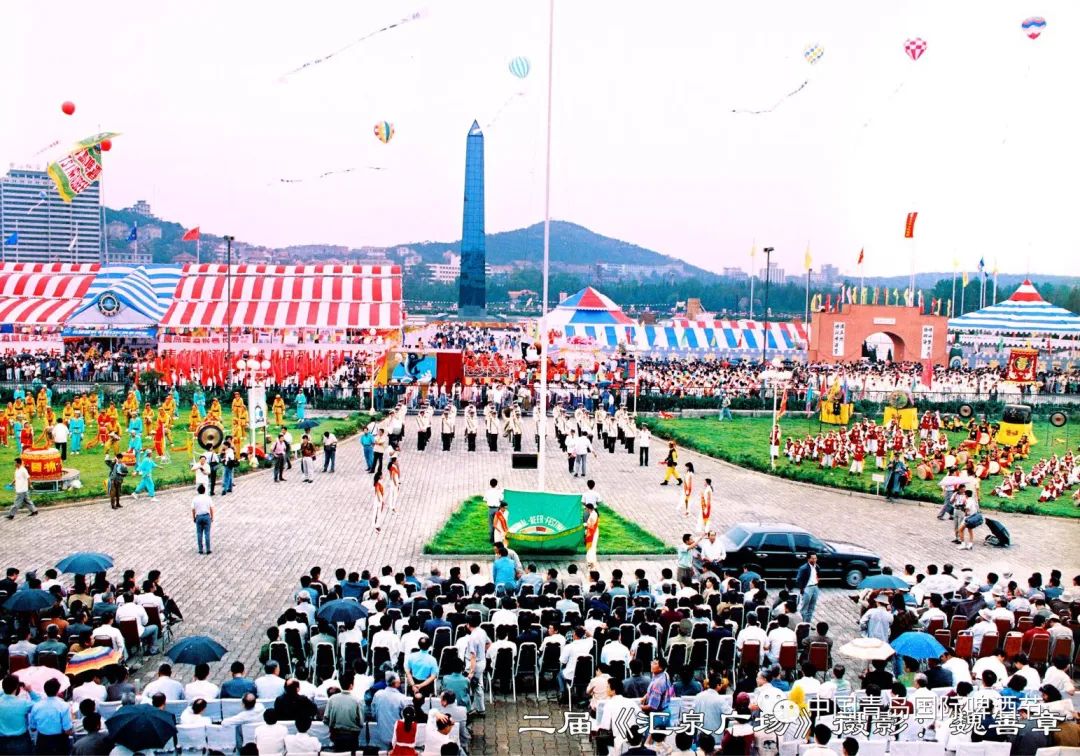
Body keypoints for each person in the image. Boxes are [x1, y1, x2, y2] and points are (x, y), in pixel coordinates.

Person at [29, 678, 72, 755]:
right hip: (59, 742)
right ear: (58, 690)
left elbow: (32, 728)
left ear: (45, 690)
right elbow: (67, 731)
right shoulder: (64, 706)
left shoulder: (36, 706)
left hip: (42, 742)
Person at [796, 554, 821, 623]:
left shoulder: (817, 567)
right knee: (804, 608)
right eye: (812, 558)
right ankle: (802, 622)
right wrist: (802, 588)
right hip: (807, 588)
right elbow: (798, 580)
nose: (814, 560)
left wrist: (817, 581)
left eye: (815, 558)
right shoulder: (804, 568)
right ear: (808, 559)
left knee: (811, 607)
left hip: (815, 587)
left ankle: (808, 623)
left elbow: (817, 575)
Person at [192, 484, 214, 555]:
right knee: (207, 533)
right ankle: (208, 549)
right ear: (204, 491)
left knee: (199, 533)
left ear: (198, 491)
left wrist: (194, 517)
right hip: (206, 516)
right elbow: (211, 508)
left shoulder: (195, 499)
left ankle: (200, 549)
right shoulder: (208, 498)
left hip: (198, 517)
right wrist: (212, 517)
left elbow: (193, 509)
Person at [584, 502, 600, 570]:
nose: (586, 510)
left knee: (591, 547)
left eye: (586, 509)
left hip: (592, 533)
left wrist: (586, 525)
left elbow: (592, 526)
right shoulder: (592, 514)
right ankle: (590, 562)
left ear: (589, 509)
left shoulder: (593, 515)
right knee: (591, 547)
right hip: (592, 532)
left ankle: (591, 562)